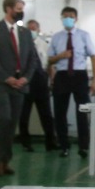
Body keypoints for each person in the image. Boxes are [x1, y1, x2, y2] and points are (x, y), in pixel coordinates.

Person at [0, 0, 41, 178]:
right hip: (2, 84)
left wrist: (26, 78)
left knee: (12, 124)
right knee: (4, 120)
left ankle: (6, 161)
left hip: (20, 85)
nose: (21, 12)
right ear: (8, 9)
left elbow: (33, 59)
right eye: (18, 8)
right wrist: (7, 78)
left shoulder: (24, 33)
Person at [47, 6, 95, 159]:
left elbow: (94, 57)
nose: (68, 18)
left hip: (79, 75)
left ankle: (84, 147)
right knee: (60, 113)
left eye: (71, 16)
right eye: (65, 16)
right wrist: (61, 56)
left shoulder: (84, 35)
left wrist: (94, 80)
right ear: (61, 18)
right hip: (62, 76)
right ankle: (64, 146)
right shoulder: (56, 37)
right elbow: (49, 60)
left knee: (82, 112)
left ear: (76, 18)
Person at [18, 19, 57, 151]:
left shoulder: (44, 44)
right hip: (26, 82)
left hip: (41, 82)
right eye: (29, 29)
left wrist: (52, 79)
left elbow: (49, 64)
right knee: (24, 115)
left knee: (46, 114)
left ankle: (50, 142)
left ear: (38, 30)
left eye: (34, 29)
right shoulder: (21, 46)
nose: (31, 32)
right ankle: (25, 142)